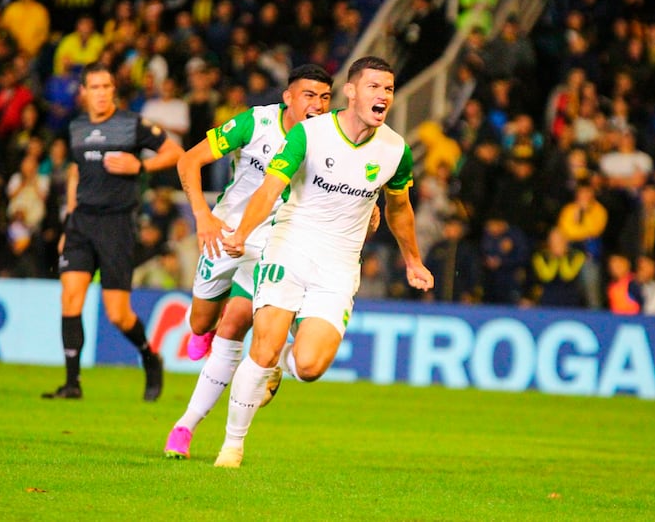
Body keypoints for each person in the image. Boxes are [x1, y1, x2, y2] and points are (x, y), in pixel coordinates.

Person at [214, 56, 434, 468]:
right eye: (373, 86)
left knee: (311, 365)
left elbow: (399, 208)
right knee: (262, 346)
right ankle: (232, 446)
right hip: (289, 249)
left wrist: (413, 260)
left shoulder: (395, 150)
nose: (382, 95)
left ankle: (282, 364)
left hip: (338, 267)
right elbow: (269, 189)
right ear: (351, 91)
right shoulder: (308, 135)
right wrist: (242, 232)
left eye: (387, 88)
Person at [162, 64, 335, 460]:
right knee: (200, 324)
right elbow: (188, 161)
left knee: (234, 322)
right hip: (225, 232)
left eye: (325, 98)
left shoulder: (328, 141)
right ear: (288, 97)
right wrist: (203, 215)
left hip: (274, 244)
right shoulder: (254, 123)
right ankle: (208, 334)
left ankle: (184, 428)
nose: (318, 105)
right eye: (309, 95)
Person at [41, 61, 183, 401]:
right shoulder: (76, 127)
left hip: (117, 225)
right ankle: (72, 383)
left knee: (117, 313)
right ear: (84, 93)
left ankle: (150, 356)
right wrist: (68, 223)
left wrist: (142, 165)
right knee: (70, 297)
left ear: (113, 91)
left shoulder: (131, 125)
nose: (102, 94)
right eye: (95, 88)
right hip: (80, 223)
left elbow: (175, 153)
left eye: (107, 87)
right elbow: (77, 172)